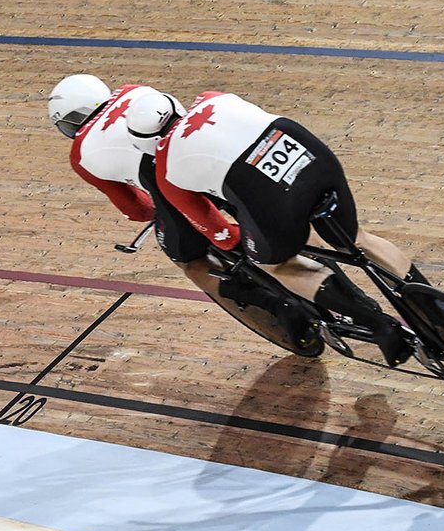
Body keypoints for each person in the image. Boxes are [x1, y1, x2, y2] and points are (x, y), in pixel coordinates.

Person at [127, 89, 424, 366]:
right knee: (357, 239)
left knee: (276, 263)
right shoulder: (212, 98)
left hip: (272, 196)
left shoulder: (166, 171)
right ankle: (431, 311)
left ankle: (381, 326)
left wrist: (248, 240)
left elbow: (221, 235)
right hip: (314, 159)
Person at [48, 75, 316, 351]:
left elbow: (137, 209)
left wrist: (160, 211)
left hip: (168, 185)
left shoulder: (80, 154)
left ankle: (275, 304)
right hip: (202, 155)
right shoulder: (134, 91)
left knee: (192, 261)